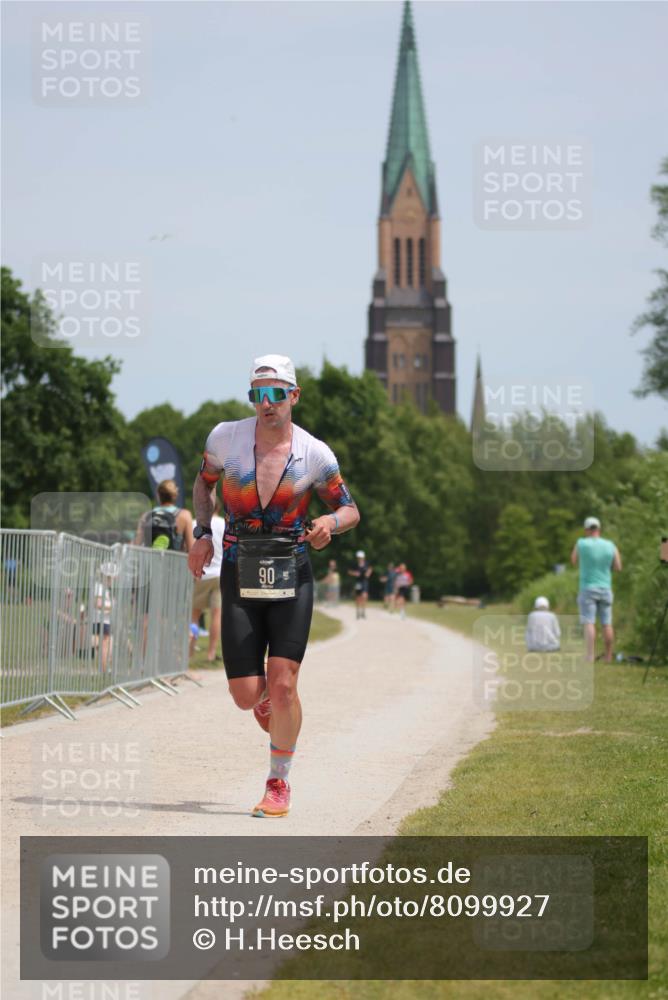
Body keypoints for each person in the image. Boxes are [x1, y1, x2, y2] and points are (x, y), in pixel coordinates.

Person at [188, 354, 360, 818]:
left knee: (284, 685)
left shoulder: (314, 453)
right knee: (247, 694)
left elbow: (350, 509)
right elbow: (202, 486)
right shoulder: (226, 438)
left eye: (276, 394)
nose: (267, 404)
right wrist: (202, 534)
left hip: (292, 571)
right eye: (258, 395)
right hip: (240, 570)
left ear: (293, 397)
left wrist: (329, 522)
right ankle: (268, 705)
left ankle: (277, 783)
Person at [571, 516, 622, 663]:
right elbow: (618, 567)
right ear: (599, 529)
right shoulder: (610, 545)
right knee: (607, 623)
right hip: (605, 588)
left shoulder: (581, 543)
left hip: (587, 588)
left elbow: (573, 560)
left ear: (586, 530)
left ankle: (590, 656)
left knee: (589, 622)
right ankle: (608, 656)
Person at [190, 499, 225, 661]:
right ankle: (211, 653)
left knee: (195, 615)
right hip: (220, 573)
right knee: (216, 615)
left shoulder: (195, 524)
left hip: (201, 574)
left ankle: (190, 650)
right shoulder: (224, 524)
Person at [135, 479, 194, 553]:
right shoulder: (184, 515)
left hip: (151, 562)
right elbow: (191, 548)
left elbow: (136, 545)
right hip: (174, 563)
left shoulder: (146, 516)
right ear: (175, 495)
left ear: (158, 495)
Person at [348, 550, 372, 619]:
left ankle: (363, 611)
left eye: (361, 557)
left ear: (363, 557)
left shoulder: (366, 564)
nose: (360, 559)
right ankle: (358, 611)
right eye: (359, 557)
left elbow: (370, 569)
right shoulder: (355, 565)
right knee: (358, 597)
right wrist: (354, 573)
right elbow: (349, 571)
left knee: (364, 596)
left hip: (364, 581)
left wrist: (368, 573)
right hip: (358, 582)